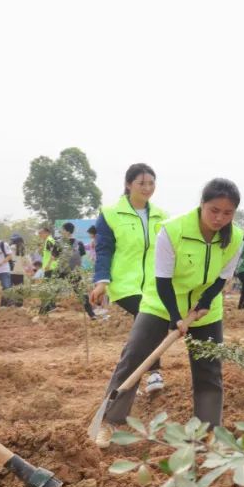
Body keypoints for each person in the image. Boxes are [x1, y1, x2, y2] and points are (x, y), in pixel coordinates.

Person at [94, 178, 244, 448]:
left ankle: (206, 432)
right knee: (134, 357)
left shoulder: (236, 237)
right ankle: (110, 422)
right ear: (202, 205)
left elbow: (223, 276)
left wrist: (206, 302)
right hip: (161, 303)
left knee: (209, 368)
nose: (220, 218)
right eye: (214, 210)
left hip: (204, 308)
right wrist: (175, 316)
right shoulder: (173, 230)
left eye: (227, 213)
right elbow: (162, 280)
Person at [91, 164, 171, 388]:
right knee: (149, 319)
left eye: (151, 183)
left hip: (154, 284)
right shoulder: (110, 214)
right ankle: (151, 372)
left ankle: (130, 375)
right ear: (128, 185)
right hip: (124, 283)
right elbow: (104, 249)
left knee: (150, 323)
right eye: (141, 183)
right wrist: (101, 281)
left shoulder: (161, 216)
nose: (147, 188)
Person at [58, 222, 96, 319]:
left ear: (66, 231)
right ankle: (91, 314)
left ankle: (91, 314)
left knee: (80, 293)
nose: (61, 231)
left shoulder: (61, 242)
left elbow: (55, 256)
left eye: (62, 230)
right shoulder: (78, 243)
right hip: (72, 271)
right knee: (81, 292)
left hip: (66, 271)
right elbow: (82, 255)